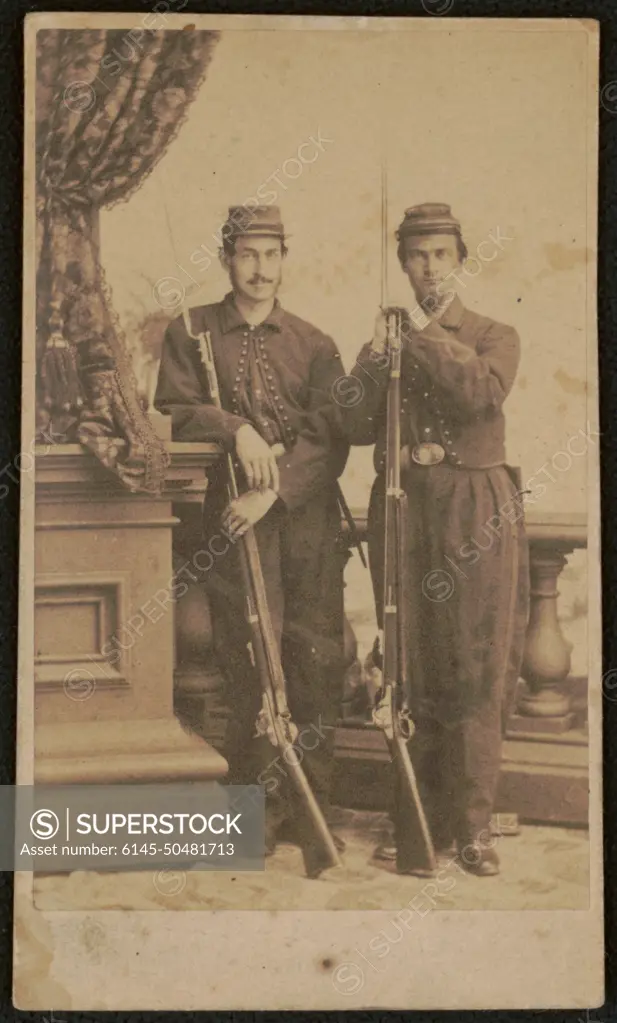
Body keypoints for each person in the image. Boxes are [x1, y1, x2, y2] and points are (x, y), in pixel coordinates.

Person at [154, 205, 349, 857]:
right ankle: (254, 810)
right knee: (247, 658)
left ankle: (312, 804)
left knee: (314, 656)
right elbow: (174, 410)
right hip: (231, 518)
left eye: (271, 254)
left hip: (304, 519)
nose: (260, 269)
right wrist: (232, 427)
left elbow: (331, 435)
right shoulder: (191, 332)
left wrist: (277, 489)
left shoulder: (316, 344)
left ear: (283, 260)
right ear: (225, 259)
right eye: (247, 254)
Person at [341, 203, 529, 876]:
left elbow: (479, 392)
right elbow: (355, 425)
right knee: (407, 660)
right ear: (403, 264)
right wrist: (371, 360)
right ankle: (413, 818)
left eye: (441, 254)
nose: (429, 266)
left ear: (460, 258)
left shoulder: (491, 333)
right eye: (417, 255)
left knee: (474, 664)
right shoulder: (389, 341)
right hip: (403, 510)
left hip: (474, 508)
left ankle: (473, 826)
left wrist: (416, 336)